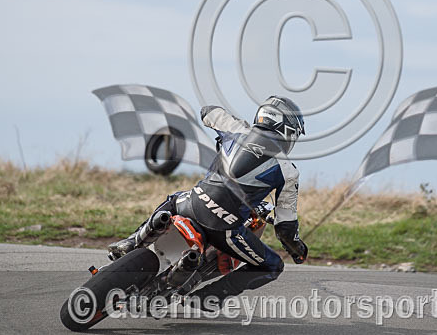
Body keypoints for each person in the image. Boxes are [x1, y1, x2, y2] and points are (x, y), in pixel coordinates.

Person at [107, 95, 309, 305]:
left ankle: (131, 242)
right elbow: (285, 229)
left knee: (174, 198)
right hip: (224, 229)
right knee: (273, 265)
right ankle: (207, 299)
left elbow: (207, 111)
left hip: (191, 203)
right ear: (288, 130)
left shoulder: (237, 128)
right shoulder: (288, 171)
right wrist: (297, 251)